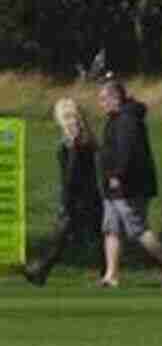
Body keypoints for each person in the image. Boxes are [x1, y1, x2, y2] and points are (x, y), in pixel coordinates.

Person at [96, 80, 162, 288]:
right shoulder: (116, 118)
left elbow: (128, 152)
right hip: (112, 185)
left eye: (103, 99)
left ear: (115, 98)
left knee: (137, 228)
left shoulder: (127, 120)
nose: (101, 104)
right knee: (111, 228)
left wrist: (118, 175)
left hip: (128, 186)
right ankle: (111, 275)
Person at [23, 98, 104, 286]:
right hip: (88, 196)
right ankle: (41, 270)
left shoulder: (75, 142)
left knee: (63, 236)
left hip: (79, 198)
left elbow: (72, 175)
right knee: (87, 236)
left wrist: (66, 201)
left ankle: (40, 270)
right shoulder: (84, 139)